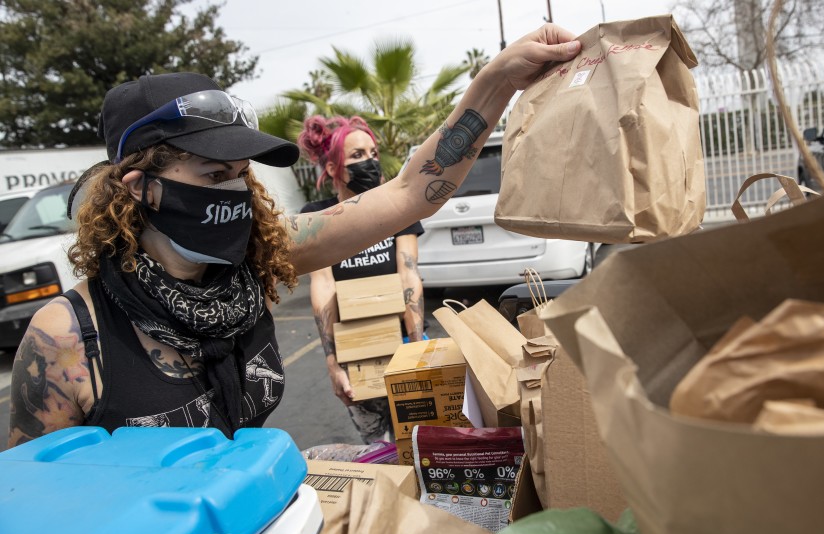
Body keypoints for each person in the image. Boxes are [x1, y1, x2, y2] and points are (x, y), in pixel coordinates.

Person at [7, 24, 583, 448]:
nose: (234, 195)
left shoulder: (260, 254)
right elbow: (43, 511)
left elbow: (410, 192)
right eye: (212, 176)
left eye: (240, 176)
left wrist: (496, 81)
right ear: (138, 188)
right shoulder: (69, 340)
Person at [298, 115, 425, 444]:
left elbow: (408, 273)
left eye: (372, 153)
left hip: (403, 345)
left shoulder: (396, 210)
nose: (369, 162)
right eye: (357, 156)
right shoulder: (318, 217)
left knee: (421, 440)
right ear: (332, 169)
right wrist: (332, 362)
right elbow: (323, 285)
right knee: (378, 446)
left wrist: (419, 346)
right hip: (356, 354)